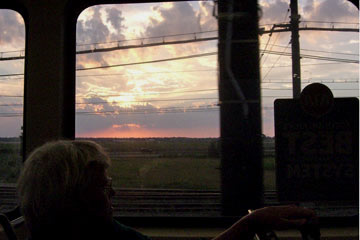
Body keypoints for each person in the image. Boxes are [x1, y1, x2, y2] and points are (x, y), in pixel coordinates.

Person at [17, 140, 316, 240]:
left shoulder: (106, 231)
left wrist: (252, 222)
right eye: (104, 187)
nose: (113, 194)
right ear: (71, 200)